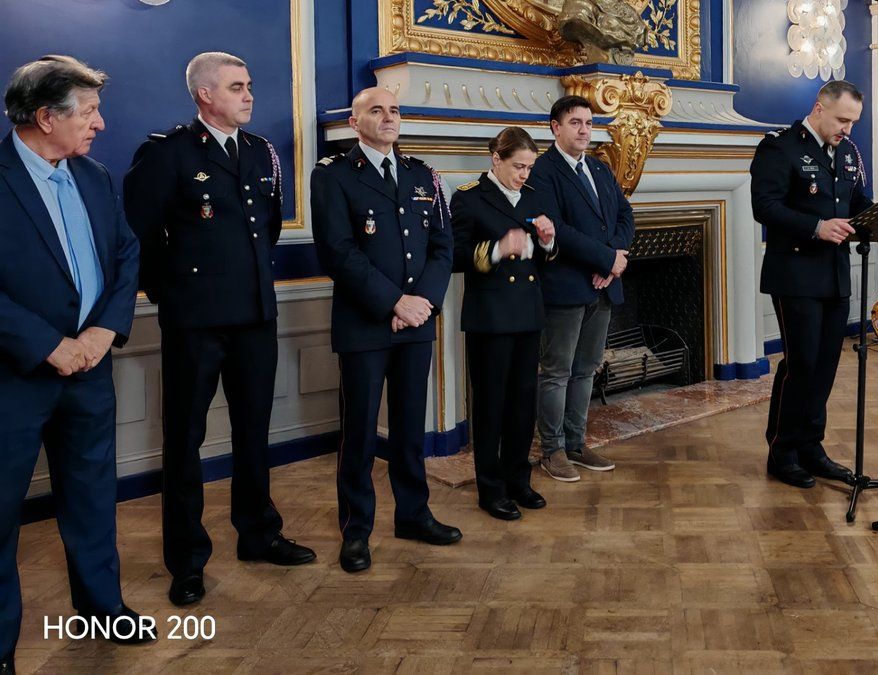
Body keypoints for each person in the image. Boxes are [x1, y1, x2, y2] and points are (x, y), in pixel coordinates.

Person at [124, 51, 315, 608]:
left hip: (255, 315)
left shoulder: (260, 154)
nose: (250, 94)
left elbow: (267, 231)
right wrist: (175, 295)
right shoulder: (168, 153)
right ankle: (186, 560)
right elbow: (139, 238)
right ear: (205, 95)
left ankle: (258, 533)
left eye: (250, 85)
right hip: (196, 322)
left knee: (255, 430)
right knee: (185, 440)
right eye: (237, 87)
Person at [0, 55, 154, 671]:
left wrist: (102, 330)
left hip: (90, 371)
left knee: (92, 498)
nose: (100, 124)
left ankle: (102, 610)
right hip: (14, 378)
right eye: (88, 112)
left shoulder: (93, 175)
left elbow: (125, 252)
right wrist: (48, 344)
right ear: (45, 117)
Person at [311, 86, 459, 574]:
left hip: (416, 325)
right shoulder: (333, 176)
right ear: (355, 122)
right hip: (365, 325)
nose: (389, 117)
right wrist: (394, 301)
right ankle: (356, 530)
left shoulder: (422, 175)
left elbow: (443, 246)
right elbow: (338, 251)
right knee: (358, 434)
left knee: (410, 428)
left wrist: (422, 305)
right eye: (377, 110)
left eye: (395, 109)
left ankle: (414, 514)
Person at [749, 80, 878, 490]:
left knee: (825, 367)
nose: (848, 129)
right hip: (795, 275)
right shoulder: (779, 147)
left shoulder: (845, 152)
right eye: (843, 120)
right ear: (819, 108)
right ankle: (782, 452)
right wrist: (815, 227)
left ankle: (812, 447)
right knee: (801, 364)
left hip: (835, 274)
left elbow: (856, 203)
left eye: (853, 122)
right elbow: (764, 207)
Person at [450, 127, 558, 520]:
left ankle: (519, 479)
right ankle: (490, 488)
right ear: (496, 158)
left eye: (530, 167)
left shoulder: (534, 196)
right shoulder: (468, 198)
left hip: (527, 313)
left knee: (521, 405)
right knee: (492, 407)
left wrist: (547, 241)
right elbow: (455, 256)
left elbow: (545, 255)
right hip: (491, 318)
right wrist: (497, 249)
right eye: (518, 166)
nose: (525, 174)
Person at [527, 95, 634, 482]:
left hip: (603, 286)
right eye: (575, 122)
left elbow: (625, 214)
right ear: (556, 127)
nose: (584, 130)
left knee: (586, 370)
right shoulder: (542, 171)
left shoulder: (601, 170)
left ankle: (576, 443)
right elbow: (558, 230)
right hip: (565, 287)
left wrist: (615, 258)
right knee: (557, 371)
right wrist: (606, 260)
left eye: (589, 123)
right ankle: (552, 450)